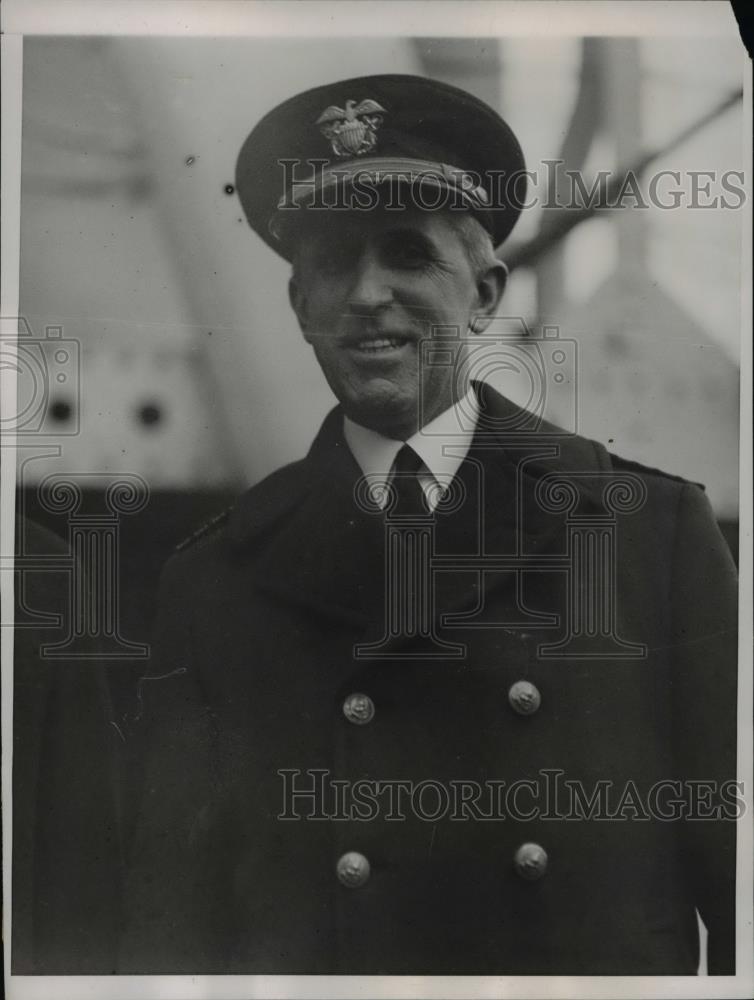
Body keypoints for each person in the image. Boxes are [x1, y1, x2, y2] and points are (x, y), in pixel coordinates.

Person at [120, 74, 737, 975]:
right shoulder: (214, 581)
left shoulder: (652, 536)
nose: (368, 294)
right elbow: (163, 936)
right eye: (334, 263)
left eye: (408, 255)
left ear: (484, 294)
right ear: (301, 308)